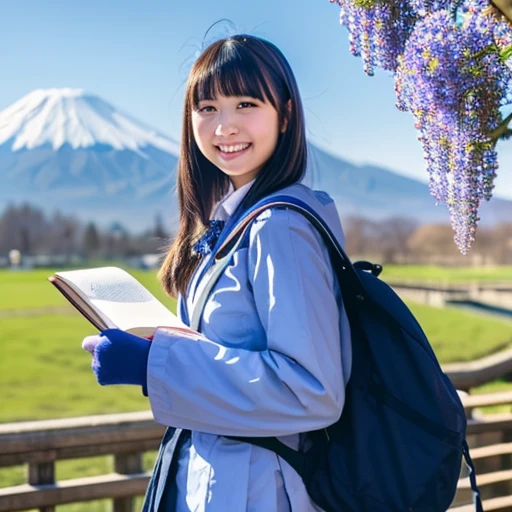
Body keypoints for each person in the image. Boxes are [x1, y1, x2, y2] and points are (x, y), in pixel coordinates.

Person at [82, 34, 352, 512]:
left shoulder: (280, 226)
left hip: (259, 491)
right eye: (207, 107)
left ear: (285, 115)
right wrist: (155, 348)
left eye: (246, 103)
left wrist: (153, 365)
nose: (224, 126)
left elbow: (311, 390)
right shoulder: (233, 220)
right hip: (221, 481)